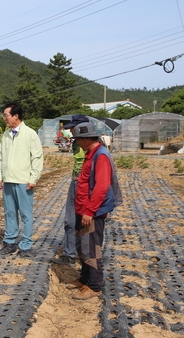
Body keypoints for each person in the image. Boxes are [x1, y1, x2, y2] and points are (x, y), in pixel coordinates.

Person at [68, 122, 122, 300]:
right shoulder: (91, 154)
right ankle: (84, 278)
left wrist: (90, 211)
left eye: (78, 139)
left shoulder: (101, 156)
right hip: (82, 208)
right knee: (82, 247)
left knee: (91, 247)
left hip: (91, 211)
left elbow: (101, 187)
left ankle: (94, 285)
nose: (76, 142)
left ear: (86, 139)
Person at [0, 102, 44, 257]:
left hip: (24, 181)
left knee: (25, 213)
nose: (4, 118)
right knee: (10, 212)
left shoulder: (30, 134)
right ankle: (9, 242)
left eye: (6, 115)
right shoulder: (6, 135)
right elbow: (1, 157)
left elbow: (37, 158)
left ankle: (26, 245)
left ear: (16, 116)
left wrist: (33, 178)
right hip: (8, 180)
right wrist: (0, 175)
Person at [51, 114, 89, 265]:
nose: (71, 131)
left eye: (73, 128)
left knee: (85, 222)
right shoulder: (76, 143)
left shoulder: (92, 145)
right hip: (76, 182)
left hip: (86, 185)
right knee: (70, 220)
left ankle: (83, 254)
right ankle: (70, 253)